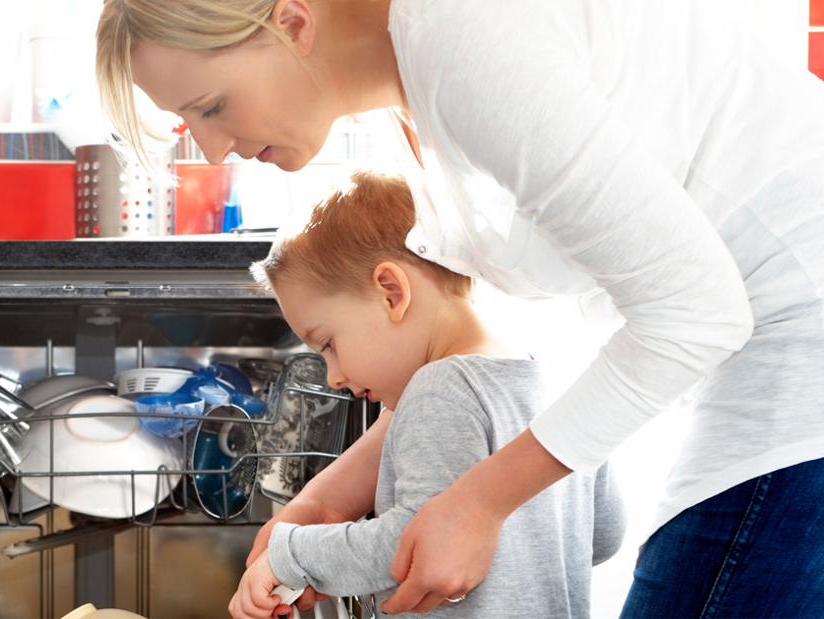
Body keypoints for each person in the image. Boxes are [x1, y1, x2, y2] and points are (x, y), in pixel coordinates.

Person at [96, 0, 824, 616]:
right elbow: (519, 358)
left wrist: (477, 502)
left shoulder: (466, 42)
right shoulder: (418, 90)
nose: (209, 150)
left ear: (291, 22)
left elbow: (697, 311)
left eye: (210, 106)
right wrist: (318, 499)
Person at [231, 168, 625, 619]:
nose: (333, 376)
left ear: (391, 292)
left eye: (328, 345)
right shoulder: (551, 378)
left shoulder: (440, 389)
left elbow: (409, 549)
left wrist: (292, 555)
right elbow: (605, 534)